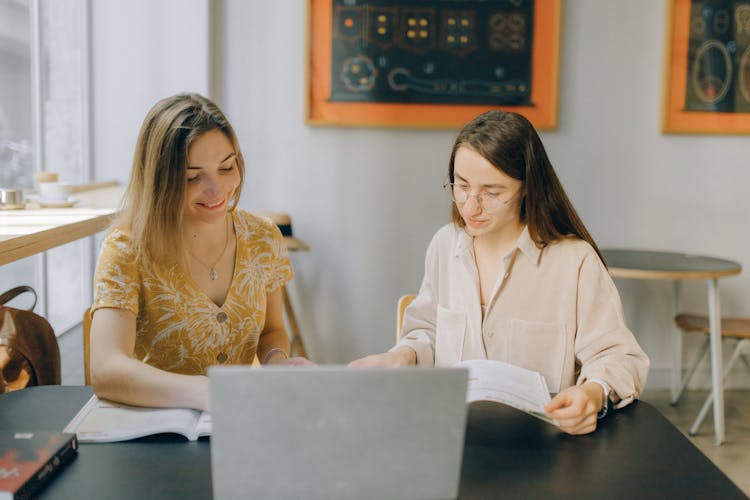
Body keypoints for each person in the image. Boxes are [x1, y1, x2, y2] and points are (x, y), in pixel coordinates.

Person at [350, 110, 649, 435]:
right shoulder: (444, 245)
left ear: (527, 189)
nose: (470, 206)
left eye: (492, 193)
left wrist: (592, 393)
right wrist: (404, 356)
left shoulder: (574, 261)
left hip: (541, 447)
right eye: (461, 186)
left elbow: (620, 356)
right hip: (451, 434)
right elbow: (428, 333)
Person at [89, 93, 313, 412]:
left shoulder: (263, 238)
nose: (217, 190)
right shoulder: (127, 249)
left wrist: (278, 362)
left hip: (231, 418)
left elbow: (272, 331)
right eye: (193, 177)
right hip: (157, 430)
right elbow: (106, 369)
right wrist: (205, 393)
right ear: (159, 180)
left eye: (226, 167)